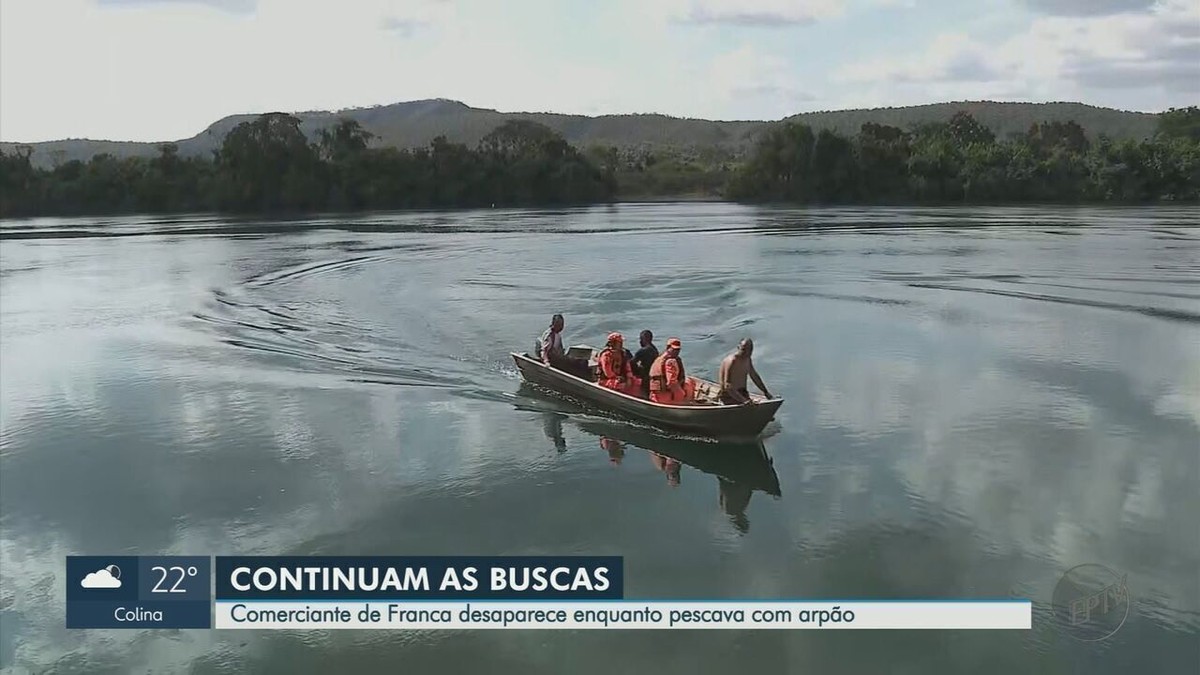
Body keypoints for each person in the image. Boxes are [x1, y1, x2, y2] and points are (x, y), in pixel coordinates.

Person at [717, 338, 772, 405]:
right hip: (729, 396)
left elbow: (754, 376)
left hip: (743, 393)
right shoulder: (731, 361)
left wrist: (765, 392)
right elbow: (727, 385)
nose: (746, 353)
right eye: (743, 350)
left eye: (749, 350)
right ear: (738, 347)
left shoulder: (747, 359)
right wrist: (744, 401)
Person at [538, 314, 590, 380]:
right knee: (581, 362)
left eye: (562, 324)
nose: (561, 327)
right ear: (553, 324)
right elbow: (544, 351)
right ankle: (583, 378)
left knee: (582, 359)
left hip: (559, 358)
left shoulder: (557, 335)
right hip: (554, 361)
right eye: (559, 324)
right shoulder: (549, 335)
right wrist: (546, 362)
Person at [648, 337, 695, 404]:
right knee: (689, 384)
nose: (676, 352)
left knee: (689, 381)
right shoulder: (670, 361)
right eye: (674, 349)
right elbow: (671, 382)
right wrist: (681, 394)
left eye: (678, 349)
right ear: (668, 348)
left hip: (656, 395)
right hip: (667, 397)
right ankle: (687, 403)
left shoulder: (660, 358)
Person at [630, 330, 658, 399]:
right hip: (652, 373)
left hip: (645, 375)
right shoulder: (654, 349)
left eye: (641, 339)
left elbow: (632, 362)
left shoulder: (643, 350)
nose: (640, 341)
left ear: (643, 339)